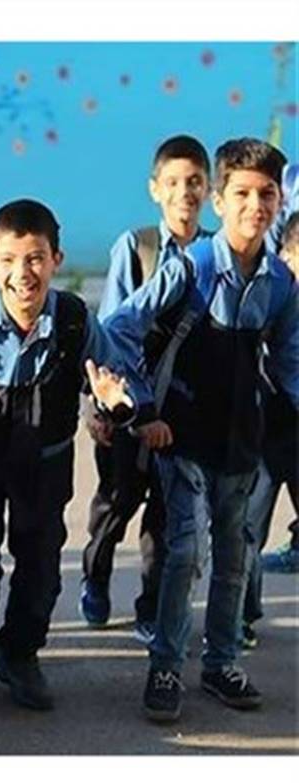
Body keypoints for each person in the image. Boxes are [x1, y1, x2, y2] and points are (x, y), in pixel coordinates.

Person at [104, 138, 296, 723]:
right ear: (219, 200)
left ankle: (220, 663)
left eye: (267, 194)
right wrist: (141, 407)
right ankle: (165, 666)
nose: (255, 206)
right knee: (186, 551)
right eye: (242, 193)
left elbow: (290, 363)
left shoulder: (280, 282)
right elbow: (119, 326)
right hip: (182, 435)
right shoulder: (192, 267)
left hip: (241, 439)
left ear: (279, 199)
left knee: (236, 556)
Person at [0, 199, 146, 714]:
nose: (22, 274)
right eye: (9, 260)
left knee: (40, 570)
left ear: (56, 259)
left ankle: (19, 654)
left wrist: (112, 400)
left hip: (45, 465)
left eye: (35, 258)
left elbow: (115, 376)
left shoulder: (73, 319)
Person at [80, 134, 215, 643]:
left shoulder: (215, 253)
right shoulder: (138, 248)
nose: (185, 193)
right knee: (116, 504)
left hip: (182, 409)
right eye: (173, 182)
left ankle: (151, 607)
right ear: (155, 189)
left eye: (195, 182)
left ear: (209, 190)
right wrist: (103, 407)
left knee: (165, 515)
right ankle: (95, 579)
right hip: (129, 405)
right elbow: (111, 331)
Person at [240, 211, 299, 645]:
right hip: (263, 428)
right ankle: (239, 616)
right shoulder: (267, 292)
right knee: (247, 529)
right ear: (287, 254)